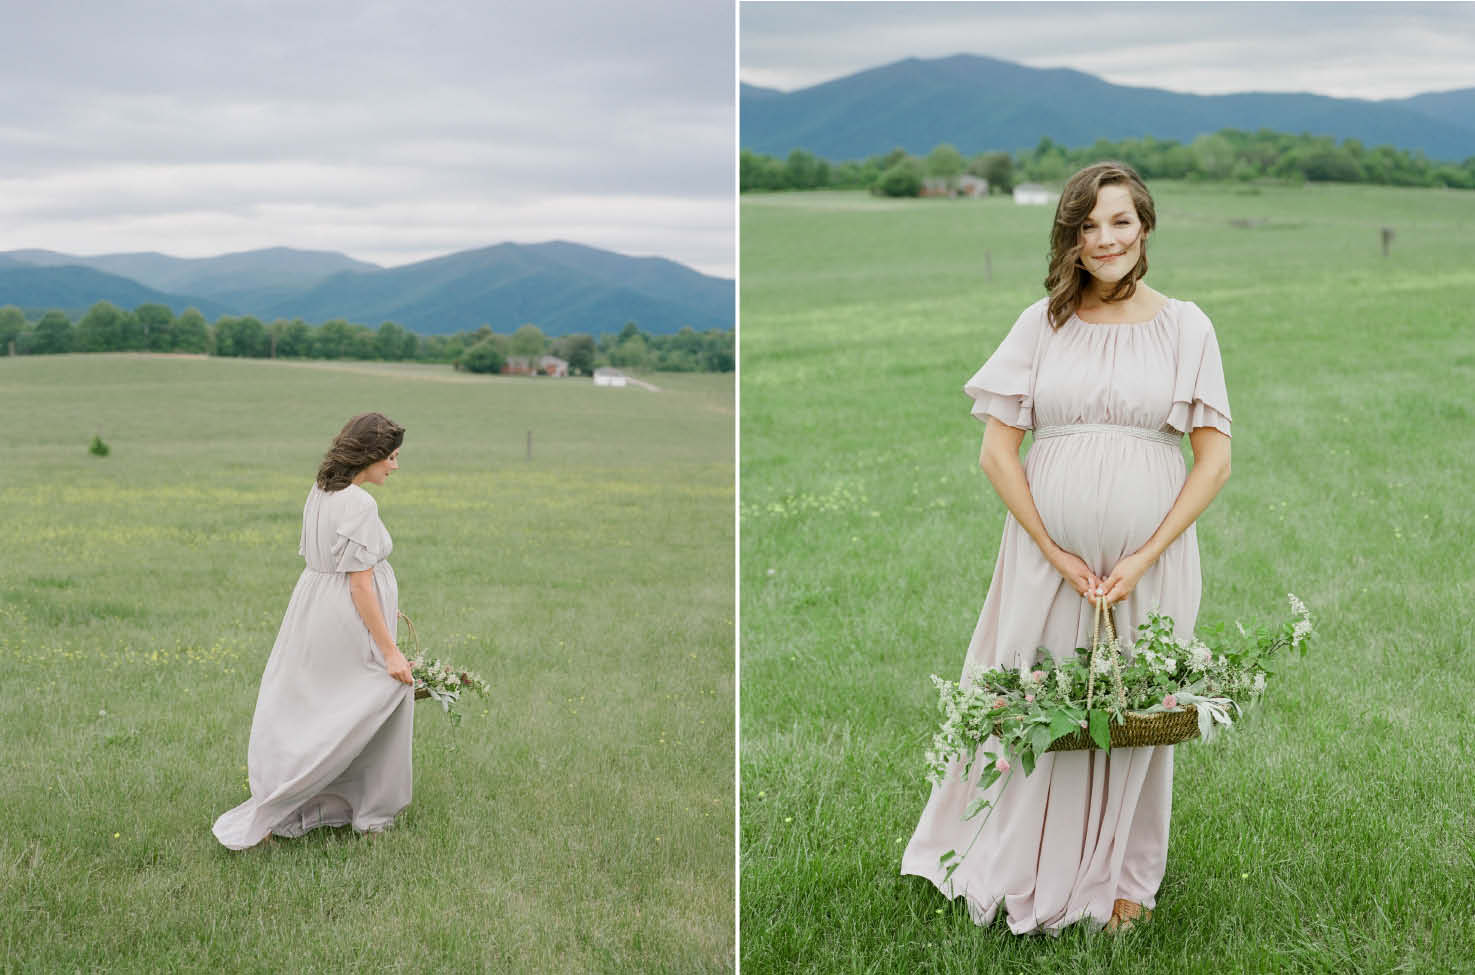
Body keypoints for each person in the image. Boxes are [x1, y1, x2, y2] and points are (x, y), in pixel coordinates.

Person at [900, 162, 1233, 934]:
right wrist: (1053, 550)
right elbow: (996, 453)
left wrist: (1142, 556)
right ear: (1069, 237)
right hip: (1044, 559)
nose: (1104, 238)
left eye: (1118, 221)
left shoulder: (1187, 325)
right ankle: (1016, 862)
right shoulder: (1039, 323)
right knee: (1031, 695)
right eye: (1086, 226)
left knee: (1131, 707)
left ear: (1143, 225)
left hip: (1150, 561)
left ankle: (1124, 877)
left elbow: (1212, 460)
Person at [213, 412, 416, 849]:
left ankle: (322, 796)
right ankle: (362, 806)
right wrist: (389, 650)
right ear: (372, 454)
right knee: (373, 698)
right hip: (345, 616)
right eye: (392, 457)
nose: (395, 467)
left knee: (320, 703)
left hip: (315, 609)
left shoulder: (323, 490)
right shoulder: (360, 503)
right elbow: (358, 582)